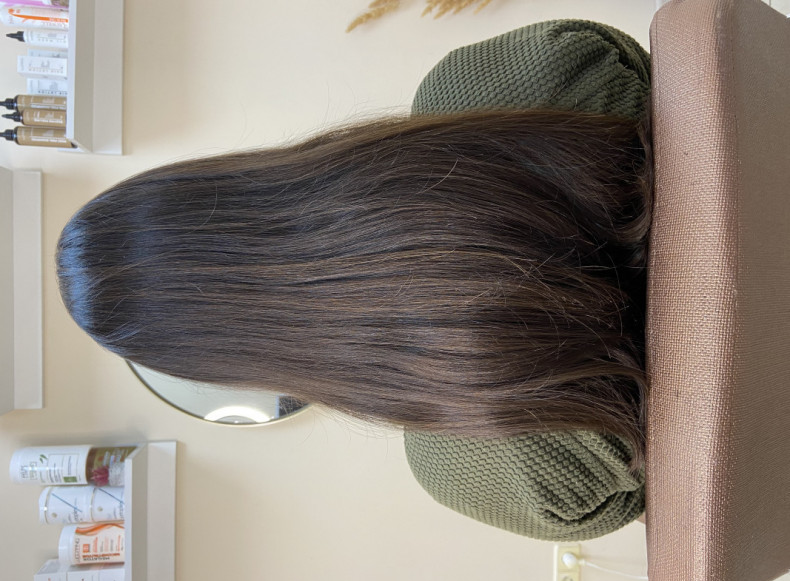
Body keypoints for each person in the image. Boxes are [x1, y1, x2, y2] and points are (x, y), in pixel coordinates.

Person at [57, 19, 651, 540]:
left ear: (229, 358)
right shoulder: (493, 79)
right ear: (222, 181)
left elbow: (654, 499)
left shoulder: (466, 468)